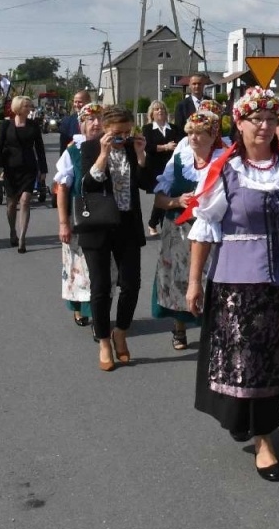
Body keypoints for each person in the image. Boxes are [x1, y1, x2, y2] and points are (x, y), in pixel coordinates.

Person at [185, 87, 279, 483]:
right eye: (255, 119)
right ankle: (264, 440)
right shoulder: (225, 171)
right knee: (248, 361)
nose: (264, 126)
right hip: (238, 284)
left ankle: (259, 424)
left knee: (276, 359)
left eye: (270, 119)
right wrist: (194, 281)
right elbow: (205, 228)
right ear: (238, 124)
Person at [77, 107, 155, 370]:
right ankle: (103, 342)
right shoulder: (89, 148)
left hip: (127, 225)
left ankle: (120, 331)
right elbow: (89, 184)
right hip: (98, 226)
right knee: (100, 287)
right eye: (117, 133)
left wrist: (142, 154)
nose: (122, 137)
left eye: (126, 132)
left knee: (131, 284)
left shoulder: (134, 149)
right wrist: (103, 153)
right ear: (105, 130)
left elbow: (147, 184)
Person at [149, 107, 219, 350]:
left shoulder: (224, 161)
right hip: (179, 228)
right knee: (179, 278)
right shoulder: (179, 160)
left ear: (213, 136)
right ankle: (179, 328)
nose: (194, 138)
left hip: (212, 231)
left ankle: (213, 329)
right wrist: (177, 201)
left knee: (210, 278)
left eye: (200, 133)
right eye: (191, 133)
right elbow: (158, 199)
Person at [54, 103, 104, 330]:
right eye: (90, 120)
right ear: (82, 124)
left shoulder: (110, 148)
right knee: (78, 268)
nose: (96, 123)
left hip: (104, 217)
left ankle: (98, 312)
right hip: (79, 219)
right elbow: (62, 188)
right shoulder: (72, 151)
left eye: (100, 119)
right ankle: (80, 308)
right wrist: (64, 223)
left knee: (101, 270)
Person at [0, 95, 48, 252]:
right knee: (11, 203)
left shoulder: (33, 125)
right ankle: (12, 231)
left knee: (26, 200)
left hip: (29, 167)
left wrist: (43, 169)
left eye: (30, 106)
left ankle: (22, 238)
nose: (30, 109)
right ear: (18, 108)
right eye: (26, 106)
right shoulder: (6, 125)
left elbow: (40, 148)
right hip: (11, 168)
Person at [142, 100, 178, 232]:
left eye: (162, 109)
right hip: (155, 167)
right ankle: (155, 223)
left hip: (171, 166)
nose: (160, 111)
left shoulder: (174, 128)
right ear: (152, 113)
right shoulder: (147, 129)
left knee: (166, 194)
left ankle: (156, 223)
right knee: (161, 193)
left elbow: (179, 145)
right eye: (156, 109)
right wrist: (165, 147)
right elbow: (148, 147)